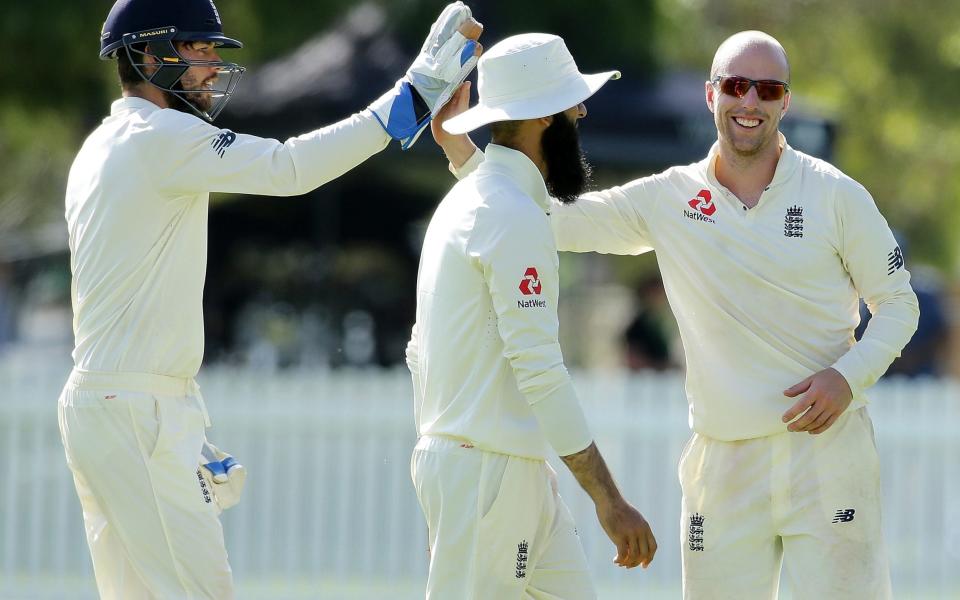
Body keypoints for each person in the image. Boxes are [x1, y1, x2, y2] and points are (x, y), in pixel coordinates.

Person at [436, 30, 919, 599]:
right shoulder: (670, 197)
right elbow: (550, 217)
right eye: (737, 86)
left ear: (784, 102)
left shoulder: (835, 194)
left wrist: (847, 377)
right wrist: (462, 153)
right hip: (722, 461)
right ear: (710, 95)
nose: (750, 102)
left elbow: (898, 303)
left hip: (829, 454)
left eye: (767, 90)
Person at [57, 0, 481, 597]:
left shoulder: (104, 143)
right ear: (147, 55)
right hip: (134, 408)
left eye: (211, 52)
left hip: (115, 401)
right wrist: (408, 99)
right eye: (197, 50)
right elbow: (288, 169)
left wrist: (173, 415)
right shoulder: (159, 135)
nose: (211, 65)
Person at [406, 33, 657, 599]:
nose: (582, 111)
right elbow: (539, 370)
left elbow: (422, 352)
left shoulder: (480, 201)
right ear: (544, 118)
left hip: (499, 469)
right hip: (485, 472)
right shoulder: (508, 213)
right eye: (573, 104)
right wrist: (609, 502)